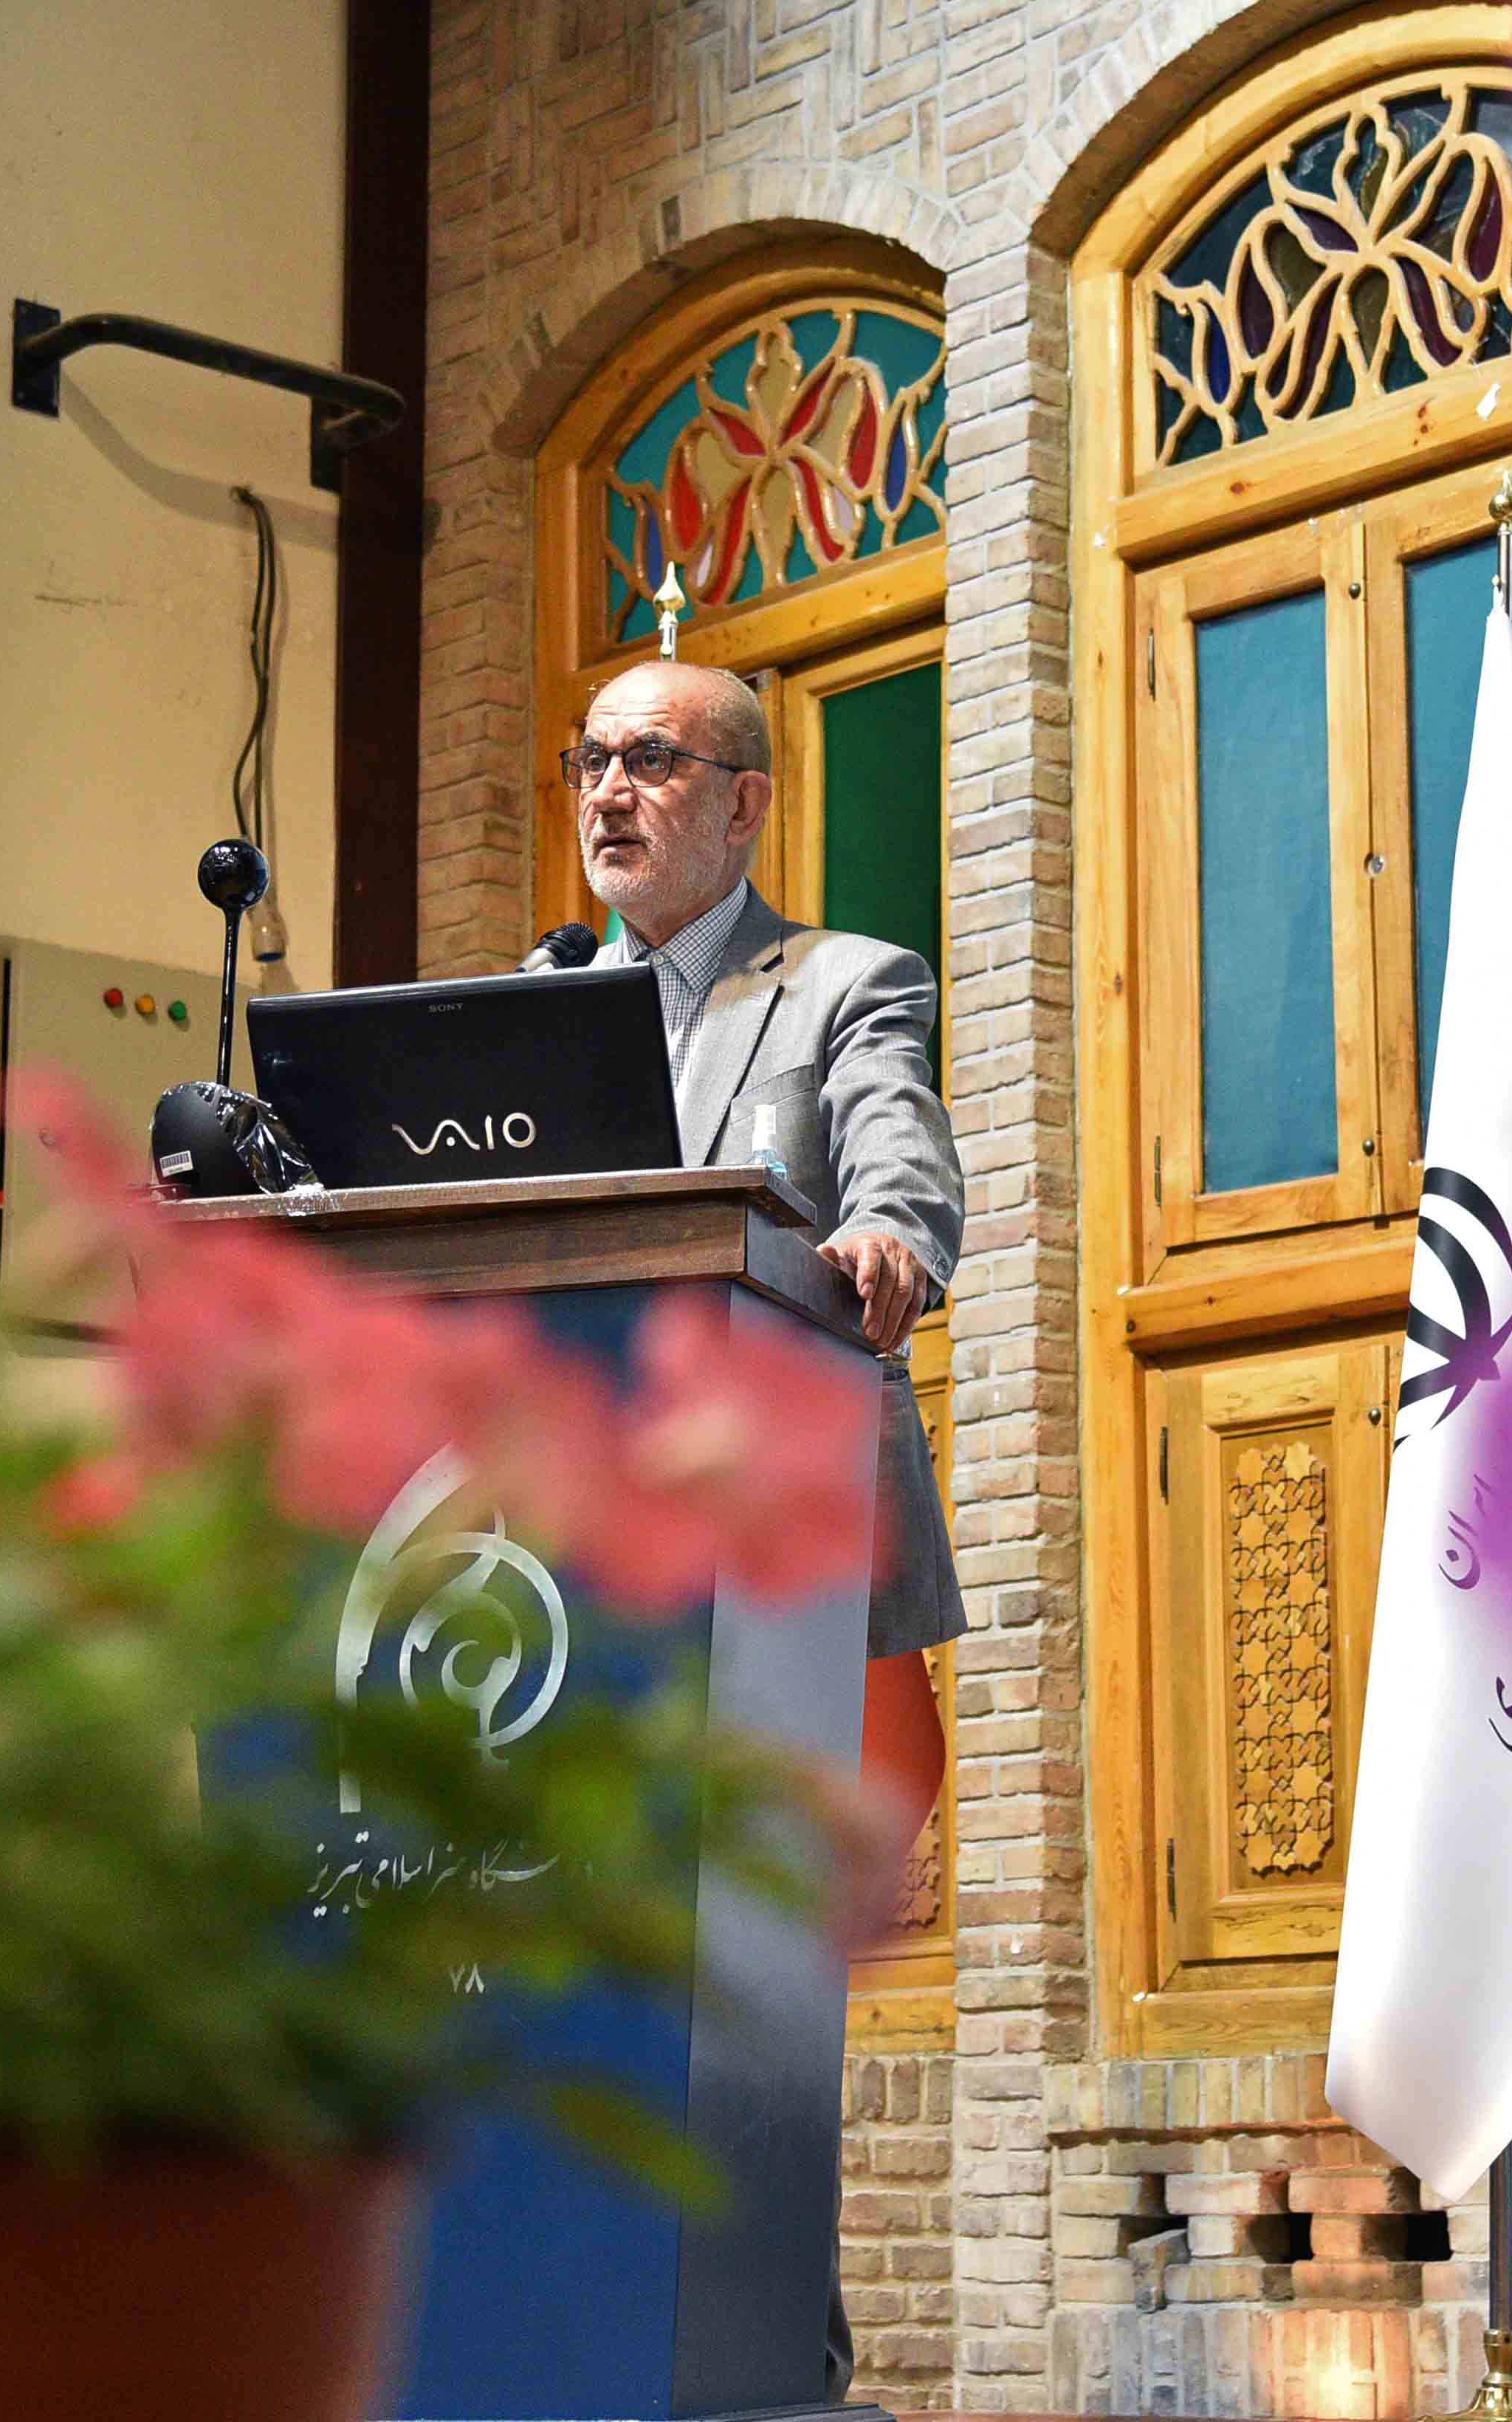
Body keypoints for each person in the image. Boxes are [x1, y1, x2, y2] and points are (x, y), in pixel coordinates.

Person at [557, 655, 962, 2401]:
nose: (608, 791)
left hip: (782, 1571)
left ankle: (782, 2360)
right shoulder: (539, 1002)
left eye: (649, 758)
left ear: (743, 800)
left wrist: (891, 1237)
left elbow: (897, 1158)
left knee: (756, 1979)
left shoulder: (843, 983)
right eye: (590, 760)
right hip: (579, 1574)